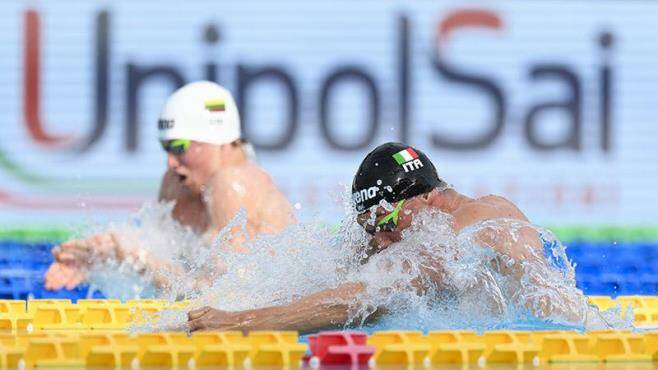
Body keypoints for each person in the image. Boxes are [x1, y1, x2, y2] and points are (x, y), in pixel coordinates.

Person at [186, 142, 587, 333]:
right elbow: (344, 276)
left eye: (382, 223)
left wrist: (242, 322)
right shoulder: (441, 220)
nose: (378, 240)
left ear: (422, 198)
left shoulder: (461, 231)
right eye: (368, 229)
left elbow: (363, 297)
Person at [45, 81, 295, 291]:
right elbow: (169, 266)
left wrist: (138, 257)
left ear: (217, 139)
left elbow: (226, 299)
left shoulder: (231, 184)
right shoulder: (177, 183)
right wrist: (103, 254)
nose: (170, 161)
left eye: (179, 147)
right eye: (166, 148)